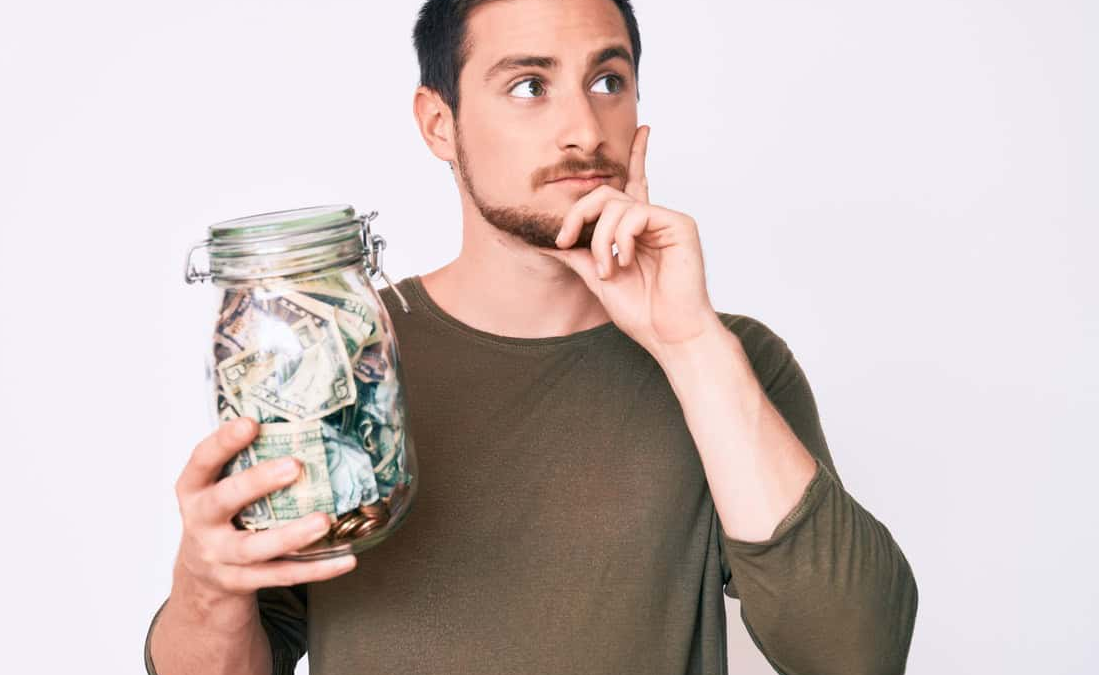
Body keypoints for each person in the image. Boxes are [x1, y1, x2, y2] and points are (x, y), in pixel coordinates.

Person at [144, 0, 919, 673]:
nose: (583, 128)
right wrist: (206, 580)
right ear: (438, 123)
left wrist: (688, 345)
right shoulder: (339, 352)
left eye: (607, 81)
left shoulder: (724, 360)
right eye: (528, 86)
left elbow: (855, 653)